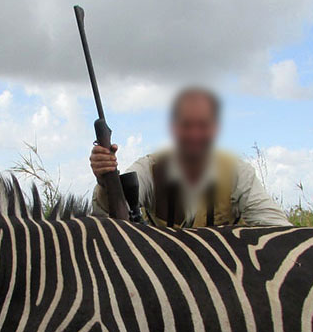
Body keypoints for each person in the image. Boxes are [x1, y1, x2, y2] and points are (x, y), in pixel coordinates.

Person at [90, 86, 291, 228]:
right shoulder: (149, 168)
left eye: (202, 126)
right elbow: (113, 213)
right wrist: (105, 180)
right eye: (187, 126)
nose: (194, 135)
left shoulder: (237, 173)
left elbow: (276, 226)